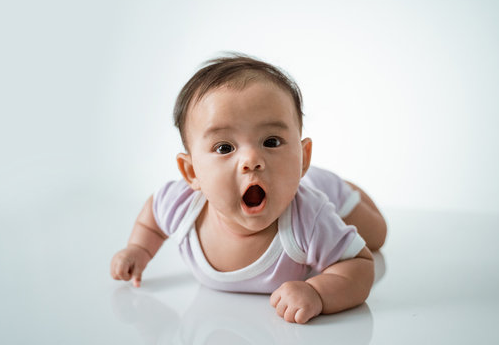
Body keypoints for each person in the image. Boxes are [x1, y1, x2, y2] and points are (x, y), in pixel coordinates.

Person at [110, 54, 387, 324]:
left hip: (326, 191)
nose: (252, 160)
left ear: (302, 157)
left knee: (376, 234)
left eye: (271, 142)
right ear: (191, 172)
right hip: (292, 182)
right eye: (224, 148)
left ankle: (345, 188)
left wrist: (318, 292)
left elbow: (360, 265)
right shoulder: (183, 206)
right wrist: (138, 249)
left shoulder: (310, 218)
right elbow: (153, 217)